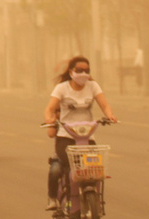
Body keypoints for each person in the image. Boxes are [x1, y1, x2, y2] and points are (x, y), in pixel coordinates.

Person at [43, 56, 117, 210]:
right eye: (79, 70)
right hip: (66, 136)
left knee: (93, 170)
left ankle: (93, 199)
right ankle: (56, 199)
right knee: (68, 168)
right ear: (71, 72)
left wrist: (109, 115)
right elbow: (50, 108)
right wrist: (50, 119)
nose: (83, 73)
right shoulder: (62, 88)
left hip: (87, 136)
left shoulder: (93, 86)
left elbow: (104, 104)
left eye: (86, 70)